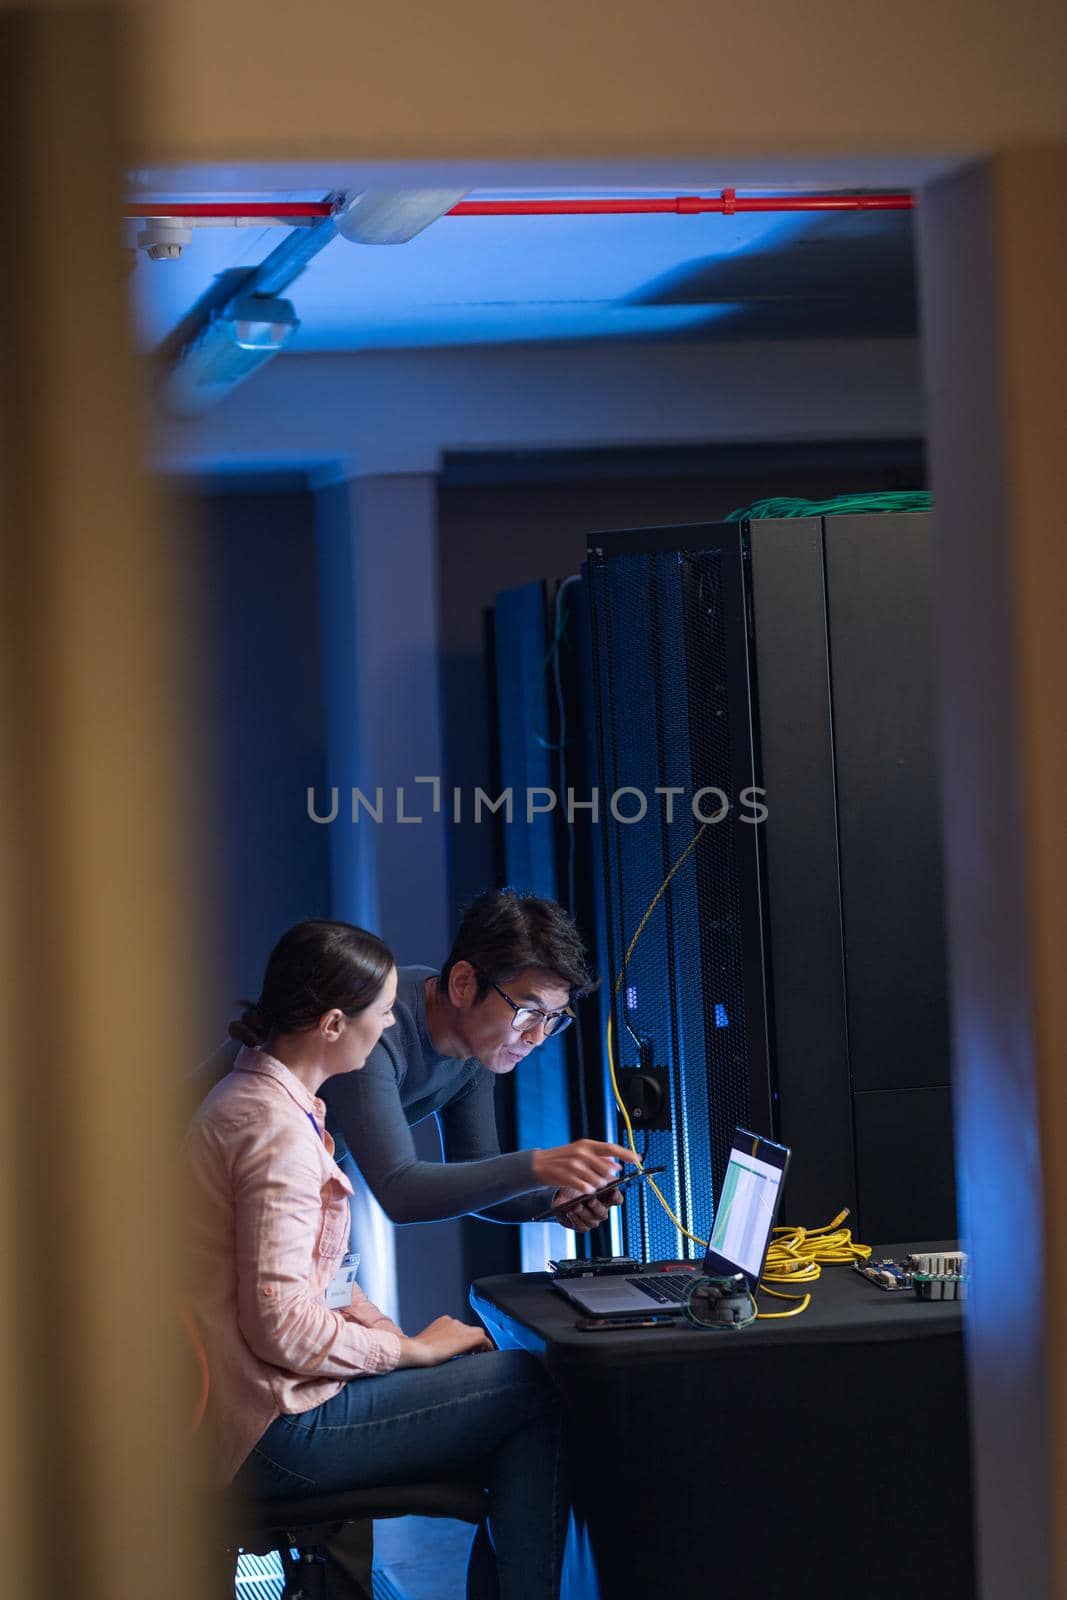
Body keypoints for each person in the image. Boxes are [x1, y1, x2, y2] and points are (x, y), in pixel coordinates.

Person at [184, 918, 571, 1600]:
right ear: (335, 1024)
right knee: (527, 1392)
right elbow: (282, 1327)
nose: (392, 1025)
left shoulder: (278, 1106)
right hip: (271, 1429)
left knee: (497, 1387)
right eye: (384, 1011)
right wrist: (411, 1354)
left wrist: (393, 1339)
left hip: (260, 1403)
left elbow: (316, 1283)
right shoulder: (274, 1133)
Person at [320, 888, 637, 1232]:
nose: (536, 1037)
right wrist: (538, 1165)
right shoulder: (374, 1027)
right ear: (463, 984)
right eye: (529, 1012)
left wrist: (553, 1197)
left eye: (554, 1018)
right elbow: (400, 1193)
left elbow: (476, 1168)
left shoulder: (475, 1048)